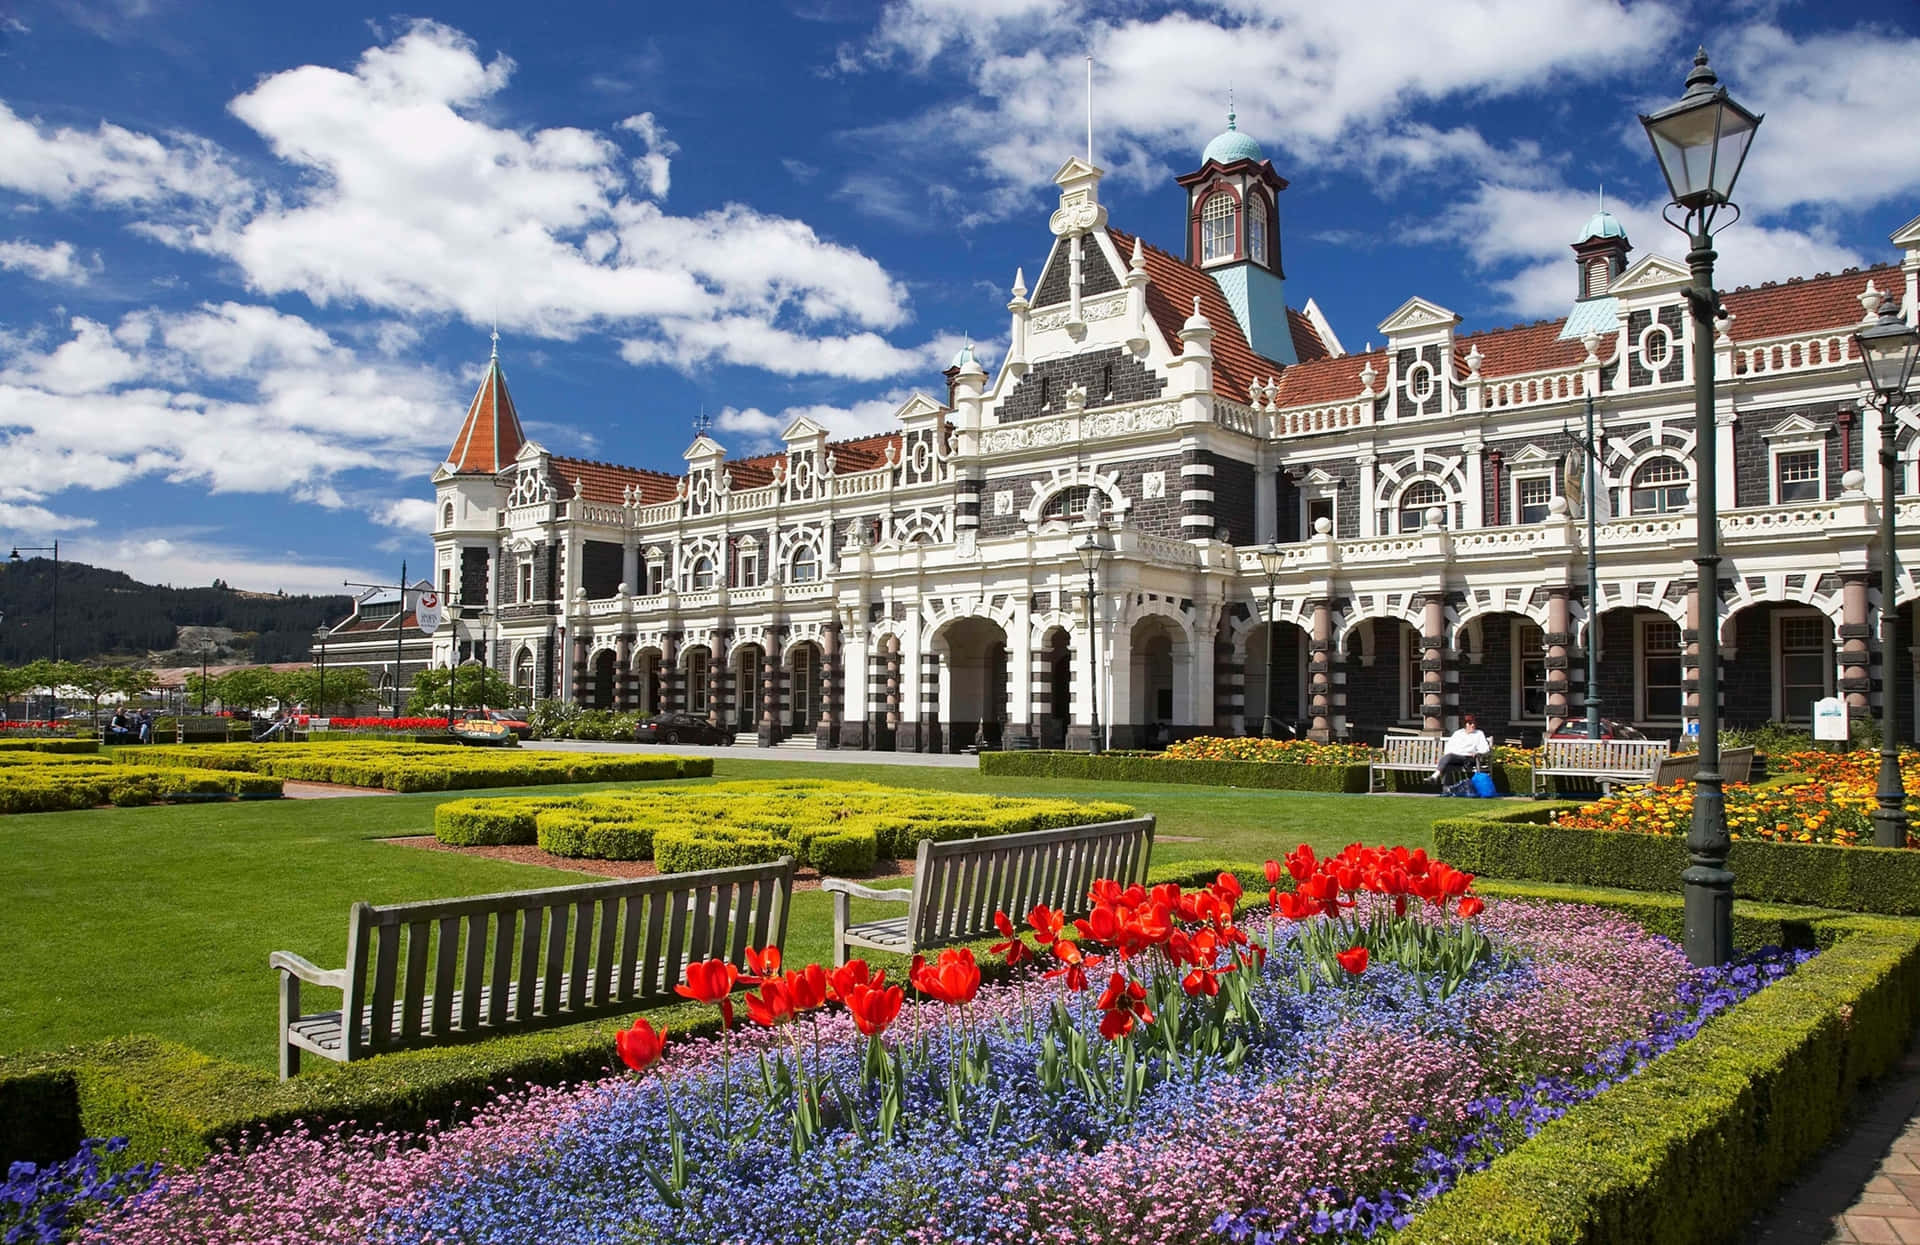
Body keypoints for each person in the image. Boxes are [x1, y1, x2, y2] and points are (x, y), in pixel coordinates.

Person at [1434, 714, 1491, 789]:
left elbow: (1485, 748)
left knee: (1448, 757)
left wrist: (1478, 753)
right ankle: (1446, 790)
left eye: (1474, 723)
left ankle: (1435, 776)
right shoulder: (1458, 733)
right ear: (1465, 725)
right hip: (1456, 758)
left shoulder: (1479, 734)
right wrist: (1451, 755)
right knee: (1447, 764)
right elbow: (1449, 747)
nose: (1473, 725)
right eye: (1470, 723)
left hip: (1469, 758)